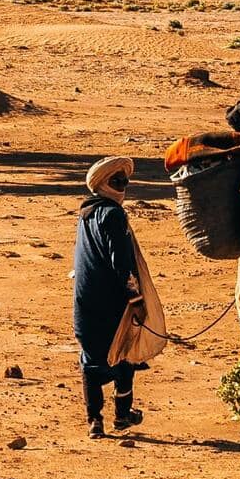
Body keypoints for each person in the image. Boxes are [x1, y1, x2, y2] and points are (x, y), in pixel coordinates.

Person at [73, 155, 151, 438]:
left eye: (124, 180)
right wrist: (136, 299)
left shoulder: (85, 213)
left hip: (84, 299)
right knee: (124, 354)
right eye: (117, 181)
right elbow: (122, 262)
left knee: (91, 359)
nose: (123, 186)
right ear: (104, 184)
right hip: (112, 300)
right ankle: (121, 415)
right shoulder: (114, 215)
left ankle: (95, 420)